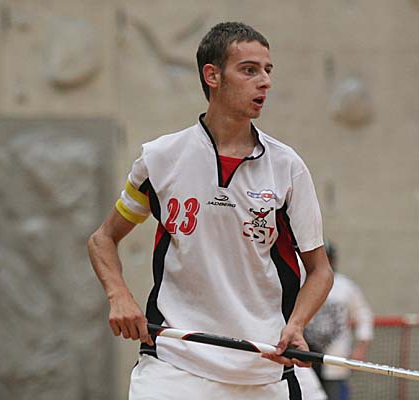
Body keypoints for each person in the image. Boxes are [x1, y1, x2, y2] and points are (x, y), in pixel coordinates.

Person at [87, 22, 334, 400]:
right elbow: (103, 239)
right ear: (212, 75)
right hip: (174, 364)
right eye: (249, 70)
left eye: (268, 70)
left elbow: (319, 271)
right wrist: (119, 295)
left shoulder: (288, 168)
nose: (265, 82)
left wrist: (296, 324)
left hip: (262, 369)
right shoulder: (160, 158)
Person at [303, 242, 374, 400]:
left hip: (336, 356)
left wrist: (361, 347)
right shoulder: (300, 282)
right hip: (304, 355)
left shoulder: (346, 286)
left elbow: (363, 315)